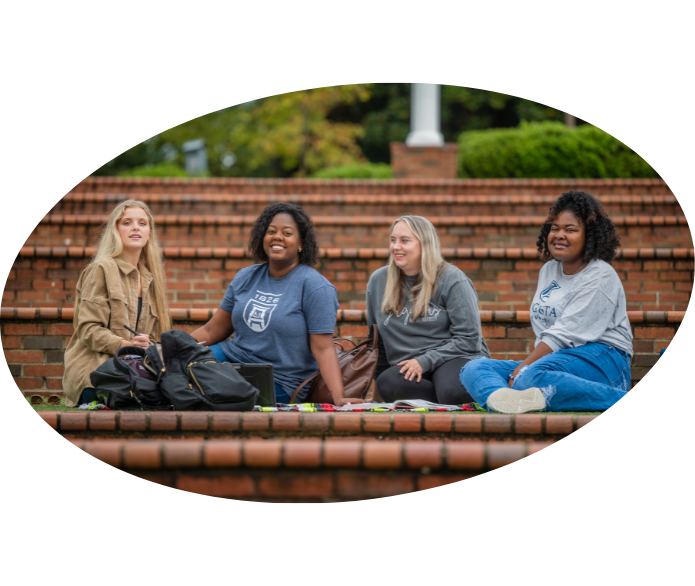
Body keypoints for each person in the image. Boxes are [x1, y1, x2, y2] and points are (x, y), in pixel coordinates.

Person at [461, 191, 633, 413]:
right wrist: (526, 370)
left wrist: (523, 369)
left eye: (570, 230)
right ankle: (506, 401)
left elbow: (566, 333)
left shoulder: (600, 274)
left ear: (589, 236)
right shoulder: (549, 270)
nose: (559, 235)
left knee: (529, 376)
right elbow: (547, 334)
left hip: (604, 358)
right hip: (558, 360)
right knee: (475, 367)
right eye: (555, 228)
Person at [190, 203, 362, 406]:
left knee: (212, 392)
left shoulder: (315, 287)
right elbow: (211, 330)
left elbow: (323, 348)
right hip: (232, 358)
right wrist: (172, 348)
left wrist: (338, 397)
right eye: (271, 231)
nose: (277, 237)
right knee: (183, 369)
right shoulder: (246, 276)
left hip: (280, 380)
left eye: (287, 233)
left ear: (301, 243)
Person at [366, 215, 490, 405]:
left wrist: (424, 361)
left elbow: (469, 340)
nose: (396, 247)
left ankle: (452, 395)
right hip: (410, 368)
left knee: (452, 391)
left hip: (454, 359)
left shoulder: (452, 279)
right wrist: (377, 399)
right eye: (393, 240)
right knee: (388, 383)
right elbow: (378, 343)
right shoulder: (378, 281)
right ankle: (444, 401)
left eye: (404, 240)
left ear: (425, 244)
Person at [63, 200, 171, 407]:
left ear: (149, 233)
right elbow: (89, 330)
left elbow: (155, 336)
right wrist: (126, 346)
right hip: (96, 375)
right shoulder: (100, 270)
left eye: (142, 223)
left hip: (135, 372)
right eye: (127, 222)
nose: (135, 228)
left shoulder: (151, 278)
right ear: (115, 230)